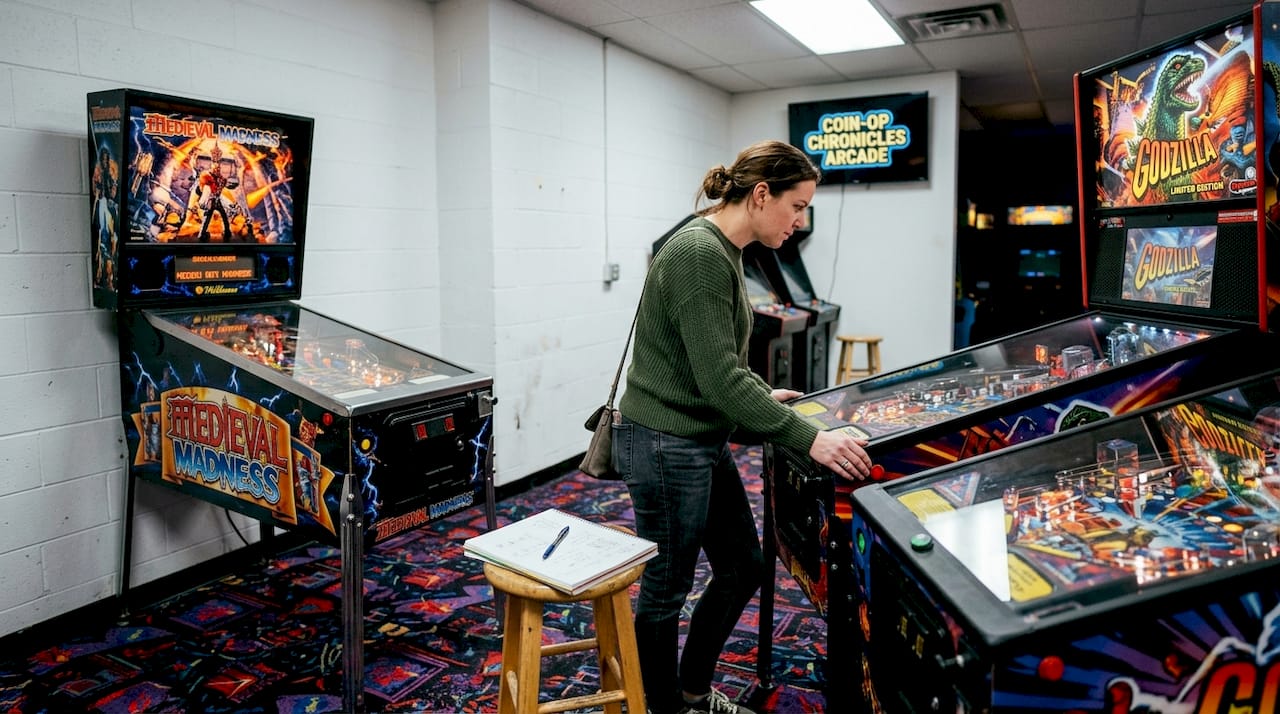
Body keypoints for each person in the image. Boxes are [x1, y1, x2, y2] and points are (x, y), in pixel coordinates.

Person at [610, 140, 872, 714]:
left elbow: (720, 366)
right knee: (666, 591)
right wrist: (812, 439)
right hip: (664, 441)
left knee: (742, 568)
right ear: (761, 194)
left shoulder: (724, 247)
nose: (800, 222)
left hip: (698, 433)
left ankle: (691, 690)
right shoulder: (700, 253)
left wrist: (759, 394)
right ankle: (666, 707)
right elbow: (719, 380)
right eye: (797, 206)